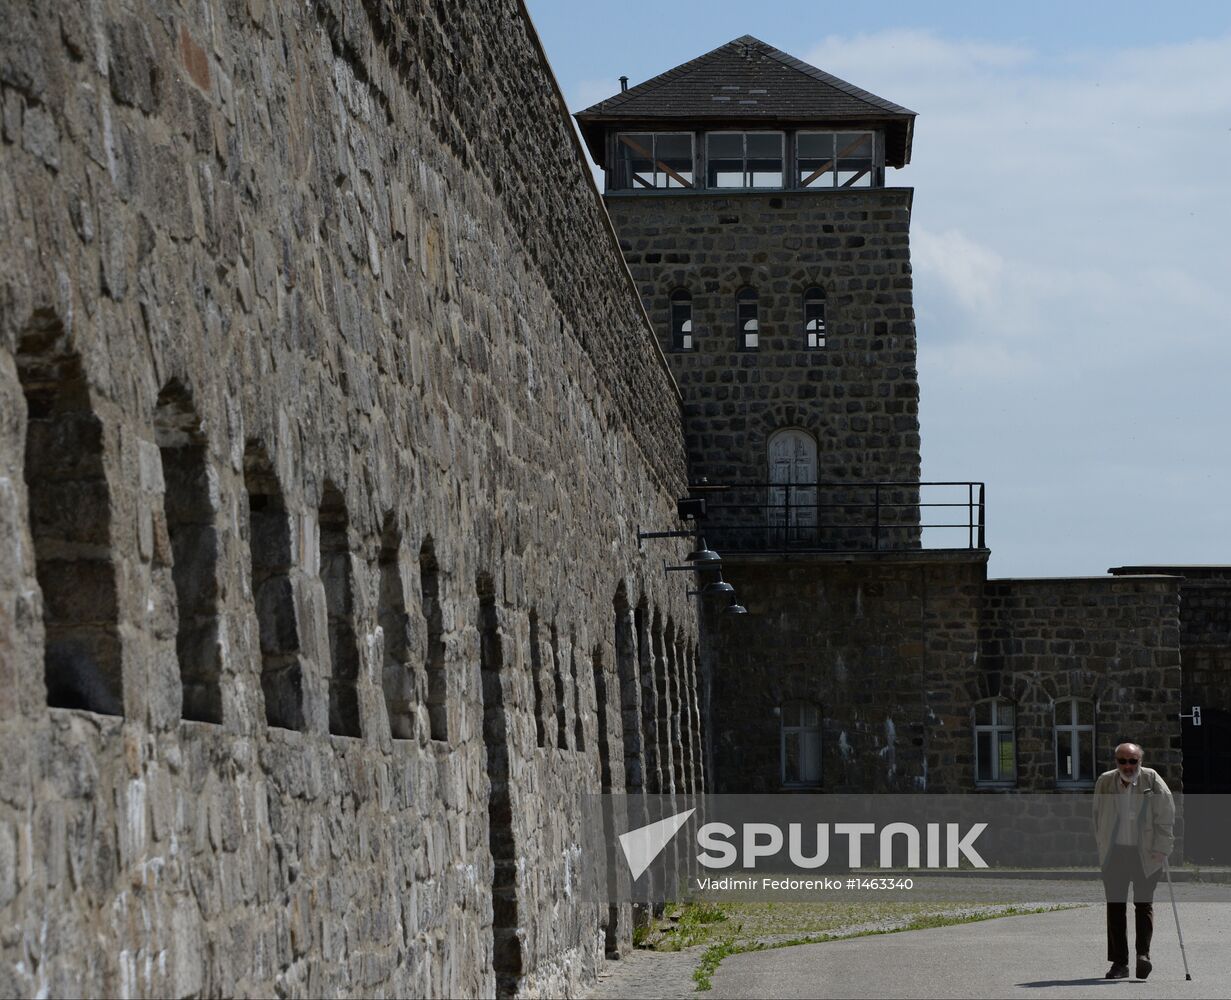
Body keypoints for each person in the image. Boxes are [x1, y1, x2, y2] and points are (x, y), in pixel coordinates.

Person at [1091, 742, 1175, 980]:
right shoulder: (1105, 782)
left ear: (1140, 760)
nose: (1128, 766)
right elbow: (1096, 815)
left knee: (1143, 904)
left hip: (1146, 853)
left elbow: (1166, 816)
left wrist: (1162, 849)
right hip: (1115, 853)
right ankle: (1119, 963)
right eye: (1122, 761)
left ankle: (1143, 956)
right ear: (1116, 762)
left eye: (1132, 761)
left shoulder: (1152, 780)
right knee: (1115, 907)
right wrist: (1102, 846)